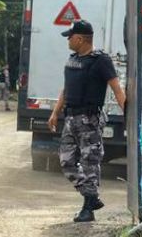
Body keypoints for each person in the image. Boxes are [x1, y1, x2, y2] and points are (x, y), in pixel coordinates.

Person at [47, 20, 126, 223]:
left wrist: (128, 114)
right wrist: (55, 113)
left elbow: (116, 88)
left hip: (89, 119)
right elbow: (65, 90)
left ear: (80, 39)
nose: (68, 40)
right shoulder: (72, 60)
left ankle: (88, 209)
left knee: (90, 163)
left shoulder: (100, 61)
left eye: (70, 36)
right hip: (71, 118)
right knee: (66, 161)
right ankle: (91, 196)